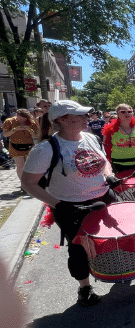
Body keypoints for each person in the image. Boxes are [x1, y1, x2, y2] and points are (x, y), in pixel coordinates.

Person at [21, 100, 117, 306]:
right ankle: (85, 288)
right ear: (62, 120)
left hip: (103, 198)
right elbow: (28, 183)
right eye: (80, 116)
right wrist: (58, 204)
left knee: (114, 237)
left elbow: (104, 161)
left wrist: (109, 175)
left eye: (86, 115)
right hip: (72, 207)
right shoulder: (46, 149)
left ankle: (117, 270)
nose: (87, 118)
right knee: (80, 249)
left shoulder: (91, 138)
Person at [2, 109, 39, 181]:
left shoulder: (31, 122)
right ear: (16, 115)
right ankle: (23, 184)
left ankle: (30, 182)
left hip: (29, 146)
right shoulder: (9, 121)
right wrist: (15, 130)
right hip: (15, 146)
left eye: (24, 118)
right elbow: (5, 134)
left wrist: (29, 130)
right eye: (19, 117)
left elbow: (36, 135)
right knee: (20, 166)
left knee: (29, 166)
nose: (21, 119)